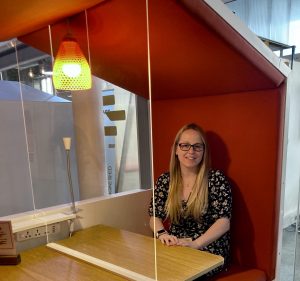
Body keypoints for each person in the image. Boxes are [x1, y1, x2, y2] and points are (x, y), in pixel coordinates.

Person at [148, 123, 232, 278]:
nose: (191, 151)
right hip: (176, 245)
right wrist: (162, 234)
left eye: (197, 146)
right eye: (185, 145)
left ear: (203, 151)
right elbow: (154, 216)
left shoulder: (216, 179)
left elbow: (224, 222)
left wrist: (196, 244)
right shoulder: (165, 180)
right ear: (176, 150)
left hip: (208, 248)